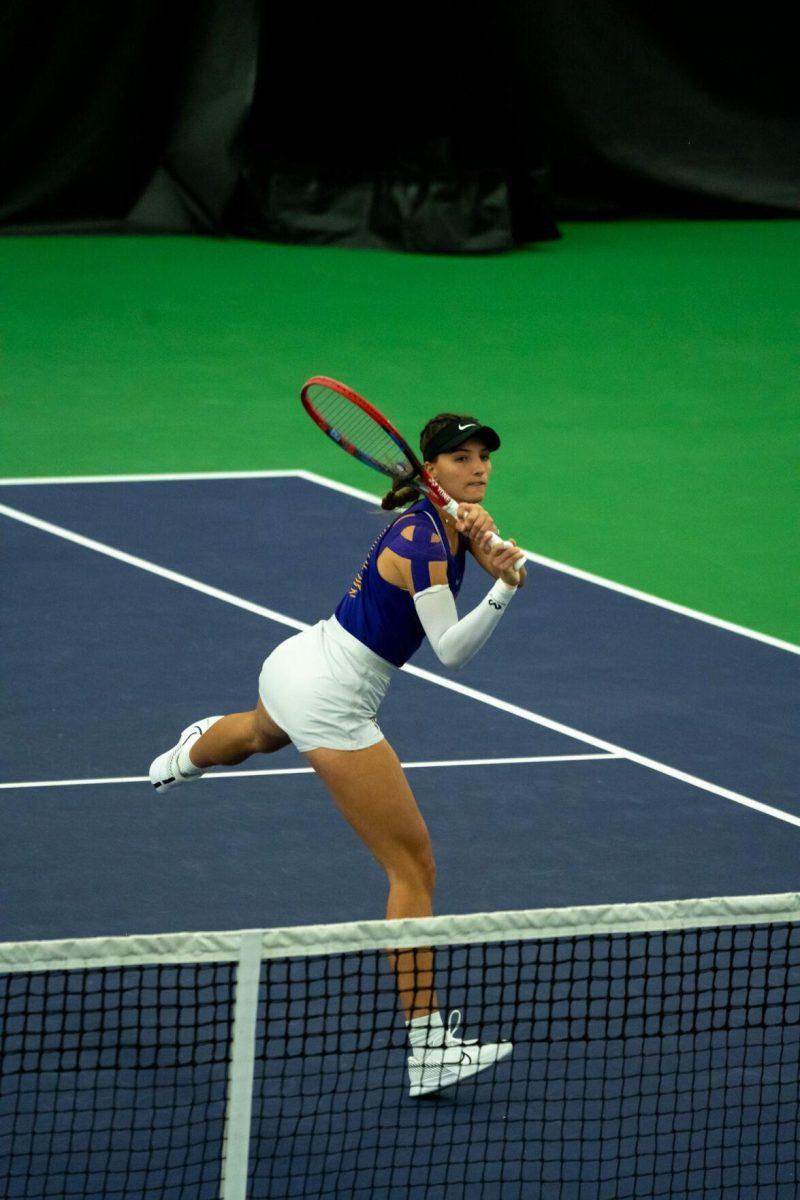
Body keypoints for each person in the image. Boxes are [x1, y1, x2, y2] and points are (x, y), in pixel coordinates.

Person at [149, 412, 526, 1097]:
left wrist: (487, 541)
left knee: (263, 732)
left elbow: (485, 536)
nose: (478, 468)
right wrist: (503, 586)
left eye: (483, 457)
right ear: (430, 468)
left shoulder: (451, 518)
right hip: (332, 698)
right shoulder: (421, 546)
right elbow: (451, 652)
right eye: (462, 458)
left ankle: (188, 754)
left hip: (298, 663)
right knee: (411, 866)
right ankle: (428, 1045)